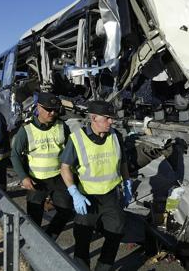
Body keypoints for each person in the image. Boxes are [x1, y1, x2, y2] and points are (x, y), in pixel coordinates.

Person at [60, 100, 132, 271]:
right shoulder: (77, 139)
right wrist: (74, 193)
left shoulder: (116, 136)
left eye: (112, 118)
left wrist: (127, 183)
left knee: (115, 234)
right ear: (93, 118)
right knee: (82, 239)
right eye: (107, 118)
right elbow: (65, 168)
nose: (111, 121)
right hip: (87, 198)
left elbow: (123, 163)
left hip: (111, 197)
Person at [10, 92, 74, 239]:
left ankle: (49, 239)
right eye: (48, 109)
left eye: (55, 110)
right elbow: (15, 155)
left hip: (58, 179)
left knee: (66, 211)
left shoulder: (62, 126)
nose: (52, 113)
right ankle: (35, 245)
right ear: (38, 107)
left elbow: (70, 151)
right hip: (36, 181)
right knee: (34, 219)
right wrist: (24, 177)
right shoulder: (26, 130)